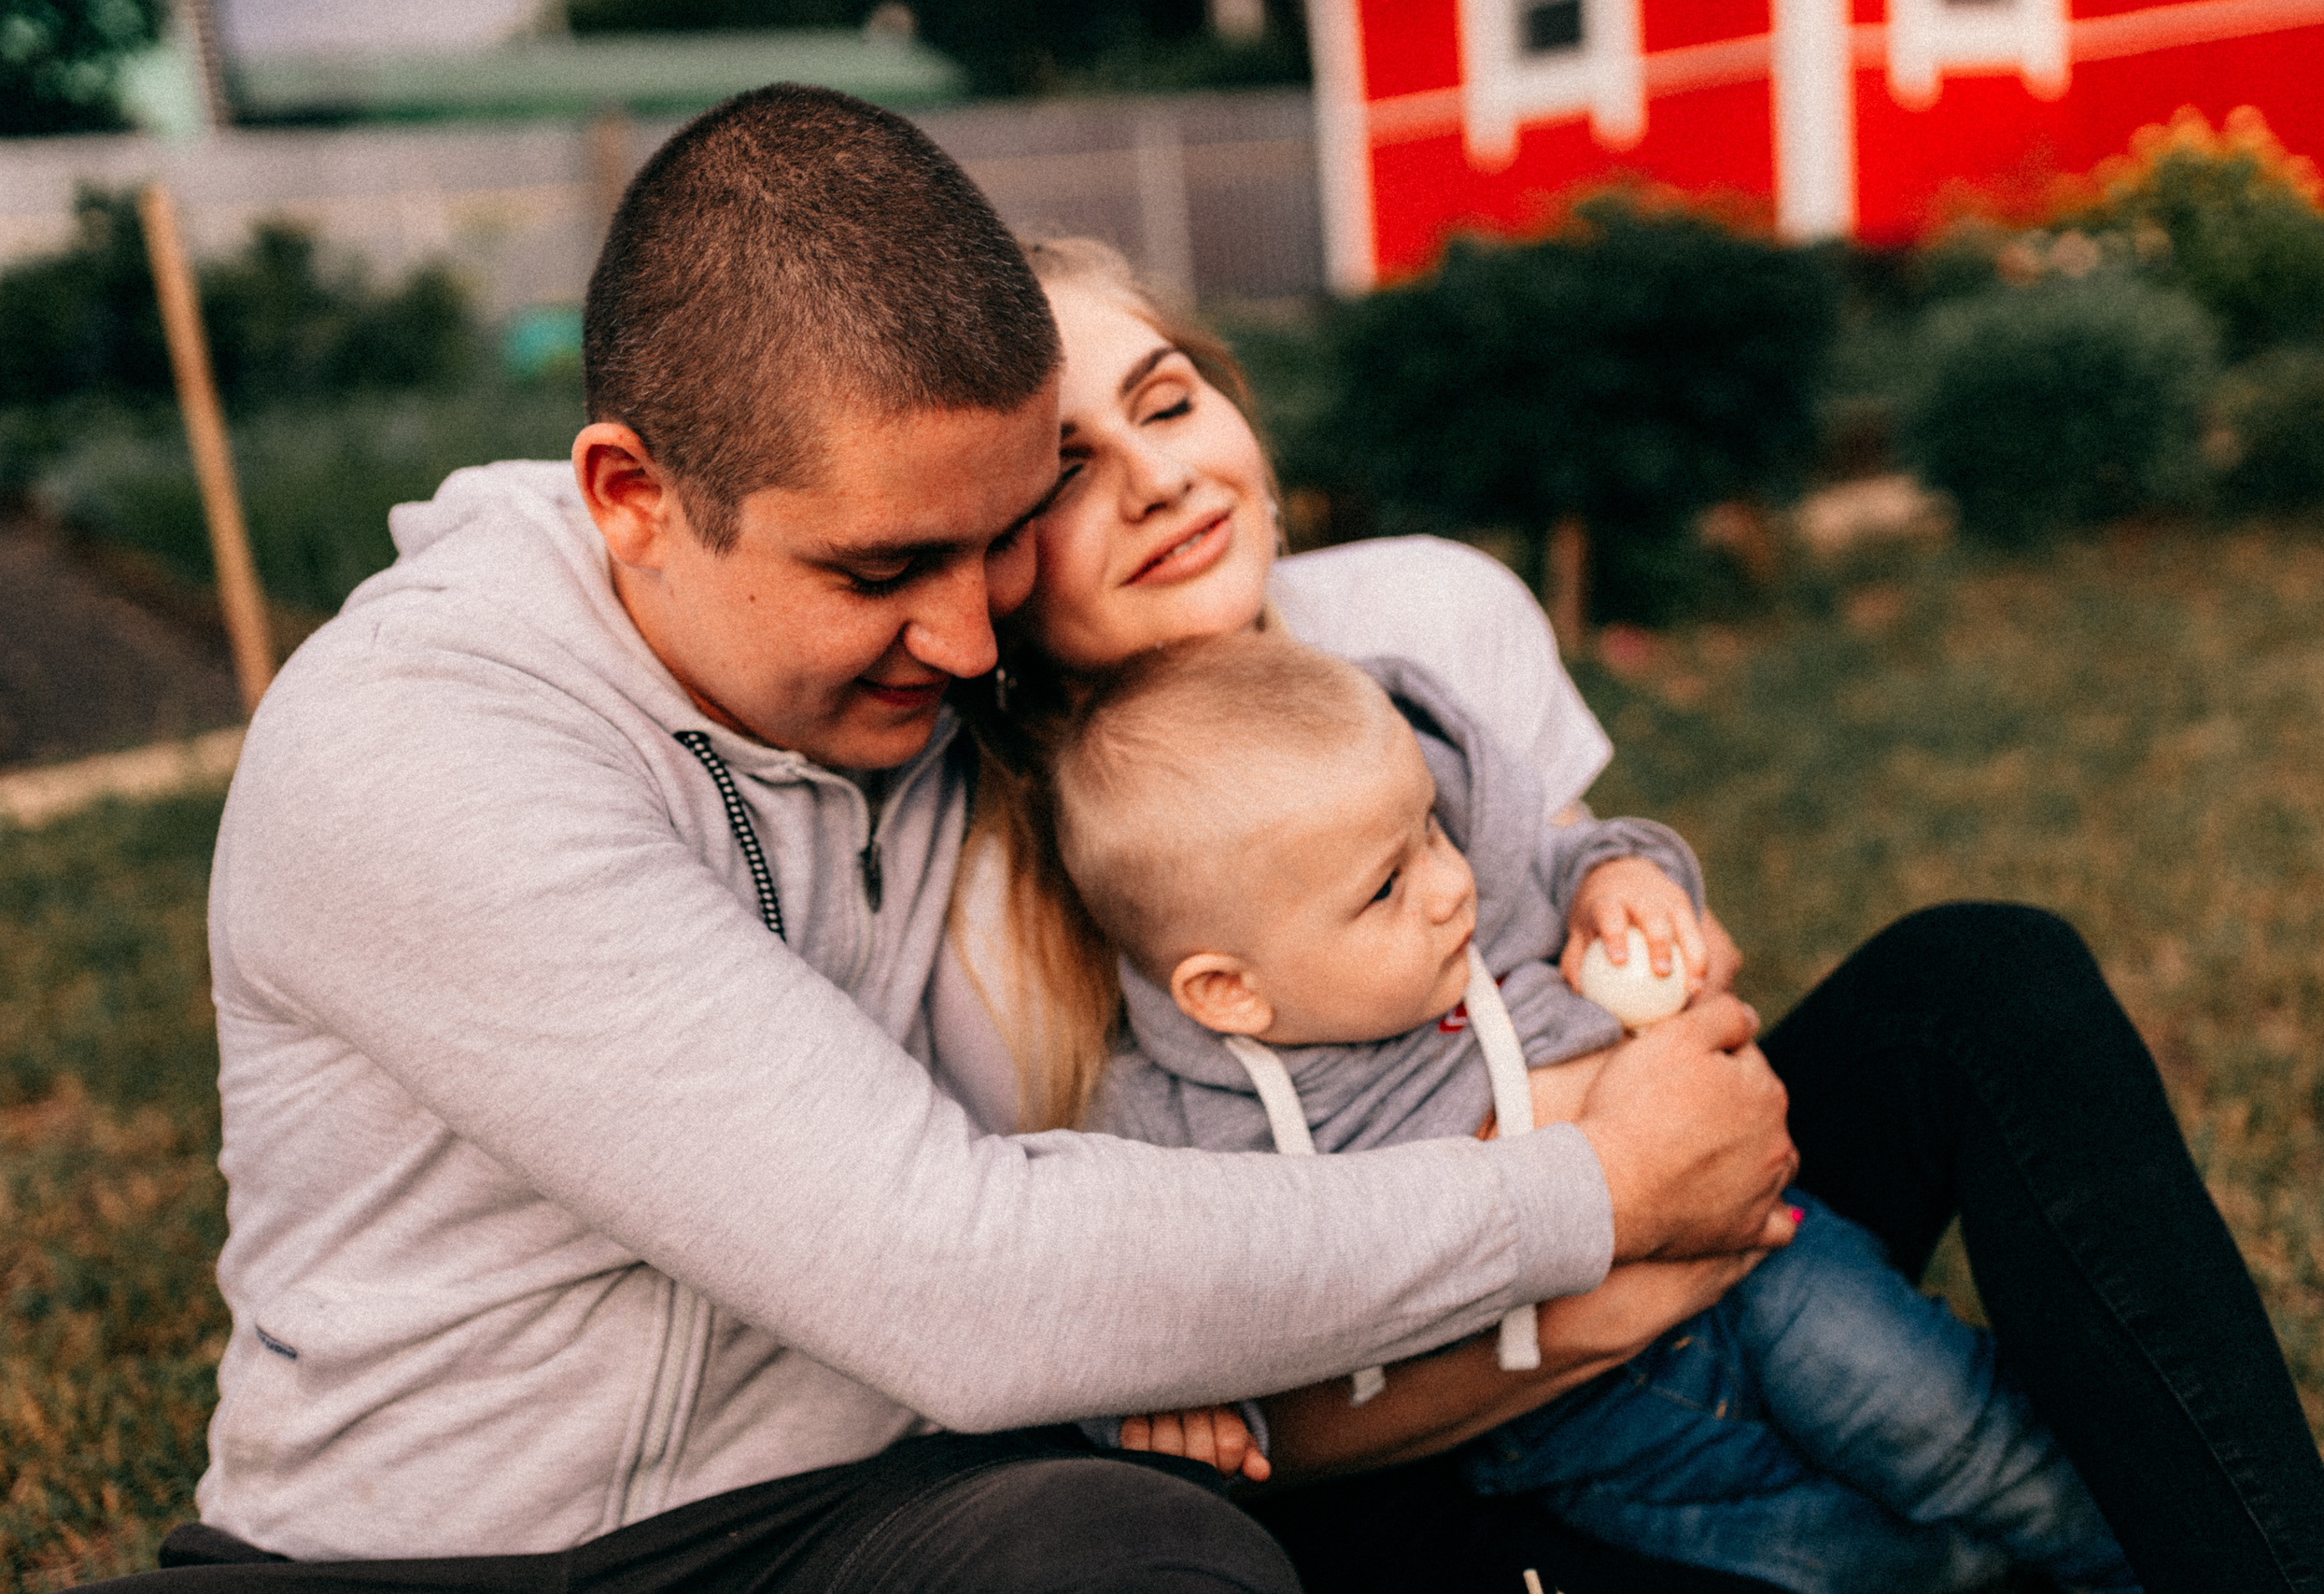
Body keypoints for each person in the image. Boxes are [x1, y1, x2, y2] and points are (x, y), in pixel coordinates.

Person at [91, 85, 1801, 1594]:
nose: (969, 641)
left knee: (1143, 1548)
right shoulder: (426, 748)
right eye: (880, 570)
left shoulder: (933, 684)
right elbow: (960, 1272)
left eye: (996, 542)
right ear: (631, 495)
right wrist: (1595, 1193)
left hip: (838, 1519)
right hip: (424, 1560)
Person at [929, 236, 2324, 1593]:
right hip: (1444, 1450)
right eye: (1066, 469)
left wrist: (1653, 940)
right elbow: (1215, 1423)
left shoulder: (1425, 620)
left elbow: (1643, 967)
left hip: (1729, 1235)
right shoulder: (994, 902)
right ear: (986, 549)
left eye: (1169, 404)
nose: (1159, 478)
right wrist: (1598, 1285)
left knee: (1982, 977)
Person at [1049, 629, 2136, 1594]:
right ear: (1229, 990)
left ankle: (2119, 1556)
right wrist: (1178, 1405)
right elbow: (1153, 1299)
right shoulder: (1180, 1125)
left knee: (1958, 1434)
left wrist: (1620, 878)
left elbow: (1576, 853)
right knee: (1850, 1561)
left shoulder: (1471, 898)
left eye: (1431, 829)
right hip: (1574, 1436)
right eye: (1386, 886)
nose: (1447, 885)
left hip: (1763, 1276)